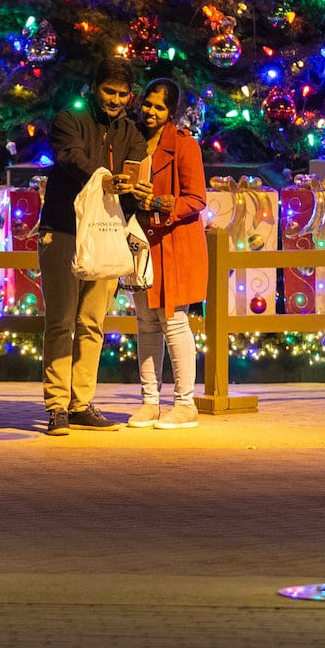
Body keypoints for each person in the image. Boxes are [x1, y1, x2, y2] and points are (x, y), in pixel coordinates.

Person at [37, 58, 147, 435]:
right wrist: (105, 179)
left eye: (121, 94)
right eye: (108, 92)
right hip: (64, 231)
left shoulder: (131, 133)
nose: (115, 100)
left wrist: (136, 190)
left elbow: (134, 174)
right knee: (61, 320)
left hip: (107, 236)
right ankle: (56, 406)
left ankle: (81, 402)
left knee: (92, 323)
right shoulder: (70, 119)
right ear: (95, 88)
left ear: (130, 97)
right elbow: (70, 157)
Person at [125, 78, 208, 431]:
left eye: (160, 107)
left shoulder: (185, 146)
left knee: (173, 322)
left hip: (173, 245)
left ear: (171, 112)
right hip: (141, 243)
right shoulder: (131, 140)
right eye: (148, 104)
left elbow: (197, 199)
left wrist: (160, 203)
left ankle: (185, 403)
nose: (151, 112)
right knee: (145, 323)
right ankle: (149, 402)